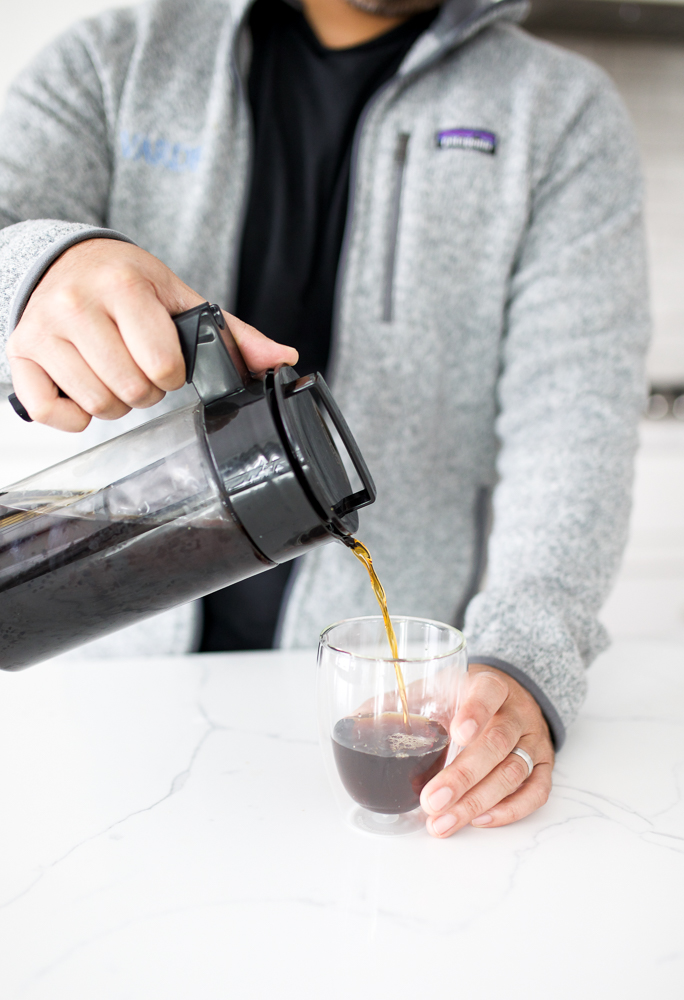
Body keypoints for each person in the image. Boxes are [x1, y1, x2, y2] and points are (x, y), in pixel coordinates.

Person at [0, 0, 650, 838]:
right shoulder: (115, 60)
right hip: (104, 698)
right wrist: (38, 272)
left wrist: (524, 656)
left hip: (396, 708)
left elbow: (574, 420)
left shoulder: (558, 112)